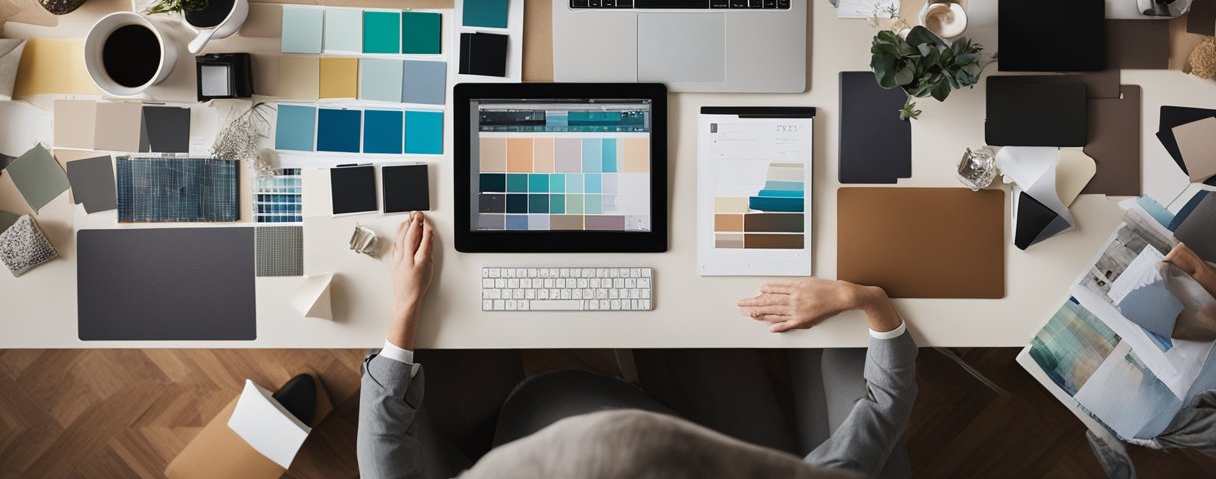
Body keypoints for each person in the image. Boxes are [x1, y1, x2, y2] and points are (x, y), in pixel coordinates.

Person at [358, 213, 918, 479]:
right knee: (849, 350)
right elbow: (884, 405)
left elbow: (384, 454)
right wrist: (863, 298)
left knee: (527, 394)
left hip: (542, 416)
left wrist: (405, 305)